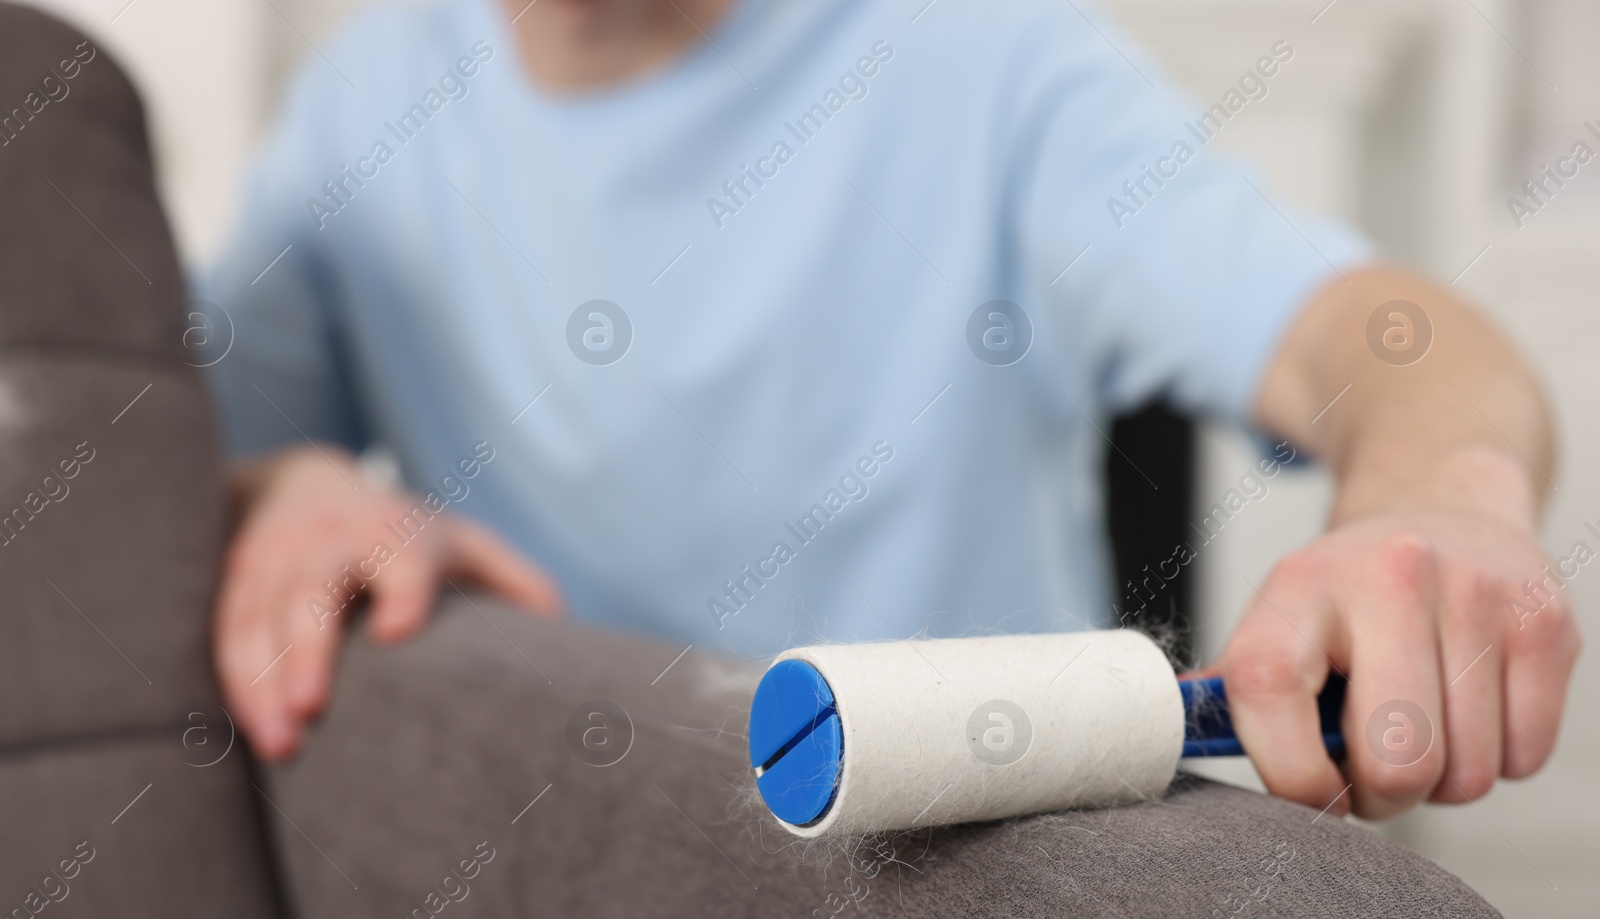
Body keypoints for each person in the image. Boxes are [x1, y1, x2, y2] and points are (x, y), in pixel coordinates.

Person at [201, 0, 1578, 823]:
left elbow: (1386, 341)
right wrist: (283, 485)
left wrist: (1441, 502)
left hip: (967, 896)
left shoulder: (984, 61)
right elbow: (158, 445)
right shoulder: (366, 101)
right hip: (579, 885)